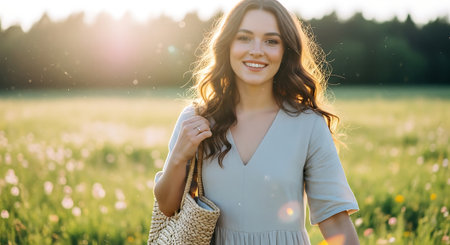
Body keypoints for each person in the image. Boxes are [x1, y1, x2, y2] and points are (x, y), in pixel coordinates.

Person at [153, 0, 359, 244]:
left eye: (271, 41)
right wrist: (178, 156)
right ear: (227, 45)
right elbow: (167, 207)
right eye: (244, 38)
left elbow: (334, 218)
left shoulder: (309, 125)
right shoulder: (196, 119)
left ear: (285, 51)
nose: (256, 50)